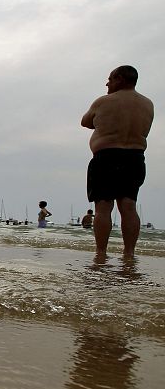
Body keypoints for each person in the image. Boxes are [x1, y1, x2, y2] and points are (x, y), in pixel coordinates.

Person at [81, 65, 154, 257]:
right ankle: (129, 253)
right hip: (135, 157)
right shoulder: (148, 104)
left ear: (120, 79)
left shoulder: (103, 102)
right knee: (128, 206)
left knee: (103, 207)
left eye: (110, 79)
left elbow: (86, 122)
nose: (107, 83)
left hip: (106, 157)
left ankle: (101, 252)